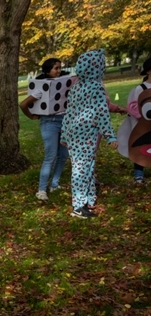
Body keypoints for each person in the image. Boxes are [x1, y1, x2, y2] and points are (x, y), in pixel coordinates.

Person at [61, 49, 118, 219]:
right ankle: (78, 207)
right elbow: (102, 113)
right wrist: (110, 136)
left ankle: (86, 201)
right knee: (82, 169)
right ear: (98, 67)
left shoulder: (76, 87)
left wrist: (64, 135)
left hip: (73, 133)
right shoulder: (96, 87)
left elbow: (68, 113)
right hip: (85, 135)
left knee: (86, 167)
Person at [20, 57, 70, 201]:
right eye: (56, 68)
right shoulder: (42, 87)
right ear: (48, 70)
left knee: (63, 156)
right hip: (50, 122)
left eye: (60, 68)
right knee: (50, 156)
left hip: (65, 121)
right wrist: (32, 116)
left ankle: (54, 184)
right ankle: (41, 190)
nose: (59, 71)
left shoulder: (62, 82)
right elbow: (23, 104)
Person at [117, 56, 151, 185]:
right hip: (143, 124)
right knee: (141, 147)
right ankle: (138, 174)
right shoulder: (140, 89)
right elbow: (135, 108)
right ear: (148, 71)